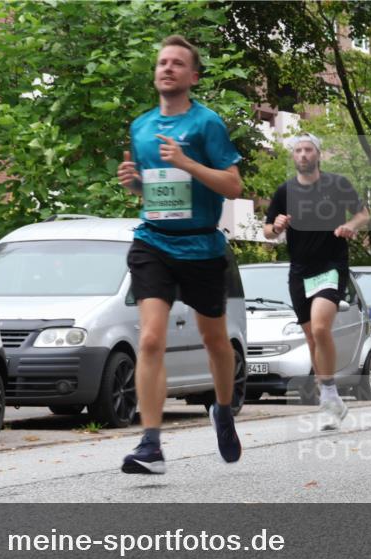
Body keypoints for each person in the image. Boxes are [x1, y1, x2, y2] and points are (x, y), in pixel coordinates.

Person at [116, 35, 244, 474]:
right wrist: (133, 182)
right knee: (150, 338)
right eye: (161, 62)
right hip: (153, 241)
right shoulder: (141, 126)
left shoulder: (207, 124)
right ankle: (150, 444)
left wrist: (189, 163)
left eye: (176, 64)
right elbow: (152, 190)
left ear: (192, 76)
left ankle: (223, 409)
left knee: (215, 340)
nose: (166, 68)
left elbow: (233, 186)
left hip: (203, 246)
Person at [263, 133, 370, 429]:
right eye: (298, 150)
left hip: (331, 265)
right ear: (293, 157)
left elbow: (363, 214)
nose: (303, 155)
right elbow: (267, 231)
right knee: (312, 338)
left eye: (308, 150)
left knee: (321, 328)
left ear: (318, 154)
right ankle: (329, 397)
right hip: (299, 270)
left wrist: (349, 226)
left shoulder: (337, 184)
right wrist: (277, 226)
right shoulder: (284, 191)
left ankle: (330, 391)